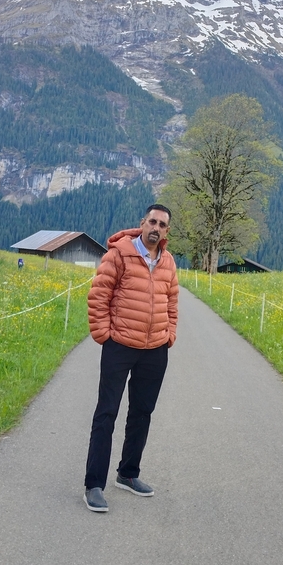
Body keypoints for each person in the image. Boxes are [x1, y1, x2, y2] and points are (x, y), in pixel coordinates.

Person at [84, 204, 179, 512]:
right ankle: (94, 484)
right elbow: (99, 294)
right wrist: (103, 334)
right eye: (152, 221)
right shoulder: (119, 254)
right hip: (120, 345)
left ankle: (128, 473)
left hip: (155, 349)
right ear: (142, 223)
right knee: (106, 413)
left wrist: (169, 335)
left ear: (166, 231)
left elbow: (172, 301)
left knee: (142, 413)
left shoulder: (168, 262)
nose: (157, 227)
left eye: (162, 224)